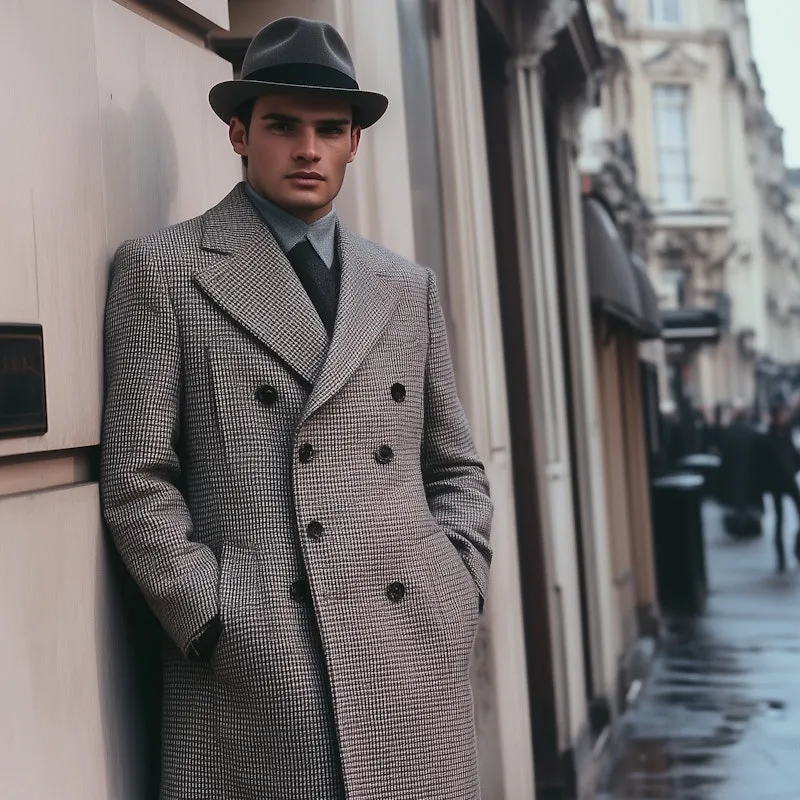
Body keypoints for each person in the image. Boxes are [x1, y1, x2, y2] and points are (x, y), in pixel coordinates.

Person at [100, 17, 492, 800]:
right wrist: (213, 619)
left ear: (354, 143)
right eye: (283, 126)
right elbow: (137, 478)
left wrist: (459, 586)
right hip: (263, 665)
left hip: (411, 652)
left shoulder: (404, 285)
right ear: (240, 134)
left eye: (328, 129)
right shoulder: (163, 270)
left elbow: (454, 464)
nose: (307, 149)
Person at [760, 400, 800, 571]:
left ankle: (797, 549)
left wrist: (794, 468)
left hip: (789, 480)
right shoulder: (768, 438)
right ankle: (781, 558)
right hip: (777, 483)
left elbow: (794, 454)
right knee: (779, 520)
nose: (785, 417)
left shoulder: (787, 433)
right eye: (782, 415)